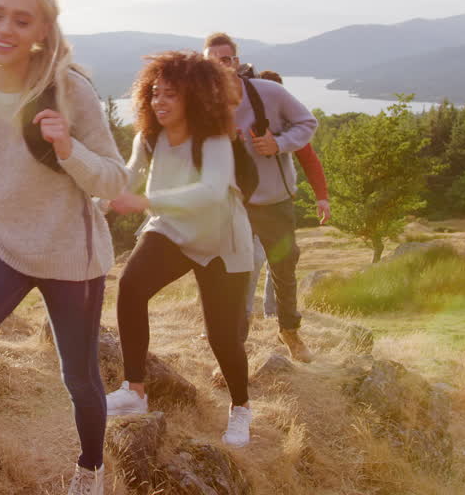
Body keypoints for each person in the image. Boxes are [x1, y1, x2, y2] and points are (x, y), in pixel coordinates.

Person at [0, 0, 127, 495]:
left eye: (21, 19)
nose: (3, 29)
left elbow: (114, 178)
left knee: (79, 379)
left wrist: (68, 149)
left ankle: (90, 470)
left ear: (42, 30)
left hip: (70, 256)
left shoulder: (70, 91)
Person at [105, 50, 257, 447]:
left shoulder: (214, 139)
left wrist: (147, 202)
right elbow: (125, 179)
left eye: (170, 95)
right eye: (155, 93)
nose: (159, 102)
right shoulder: (149, 138)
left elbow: (210, 192)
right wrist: (94, 199)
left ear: (193, 96)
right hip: (172, 229)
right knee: (131, 286)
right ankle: (134, 391)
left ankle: (240, 408)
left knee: (222, 338)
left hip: (221, 239)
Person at [202, 34, 318, 362]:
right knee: (233, 274)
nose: (220, 66)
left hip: (273, 201)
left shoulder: (270, 93)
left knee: (283, 268)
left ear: (236, 63)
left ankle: (290, 333)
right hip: (232, 203)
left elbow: (307, 123)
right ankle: (234, 347)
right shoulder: (203, 103)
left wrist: (278, 143)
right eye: (212, 60)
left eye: (225, 59)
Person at [252, 69, 330, 321]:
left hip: (277, 205)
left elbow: (309, 160)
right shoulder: (241, 121)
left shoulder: (288, 127)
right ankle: (237, 316)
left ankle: (273, 314)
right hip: (244, 205)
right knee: (248, 259)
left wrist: (322, 198)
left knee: (282, 259)